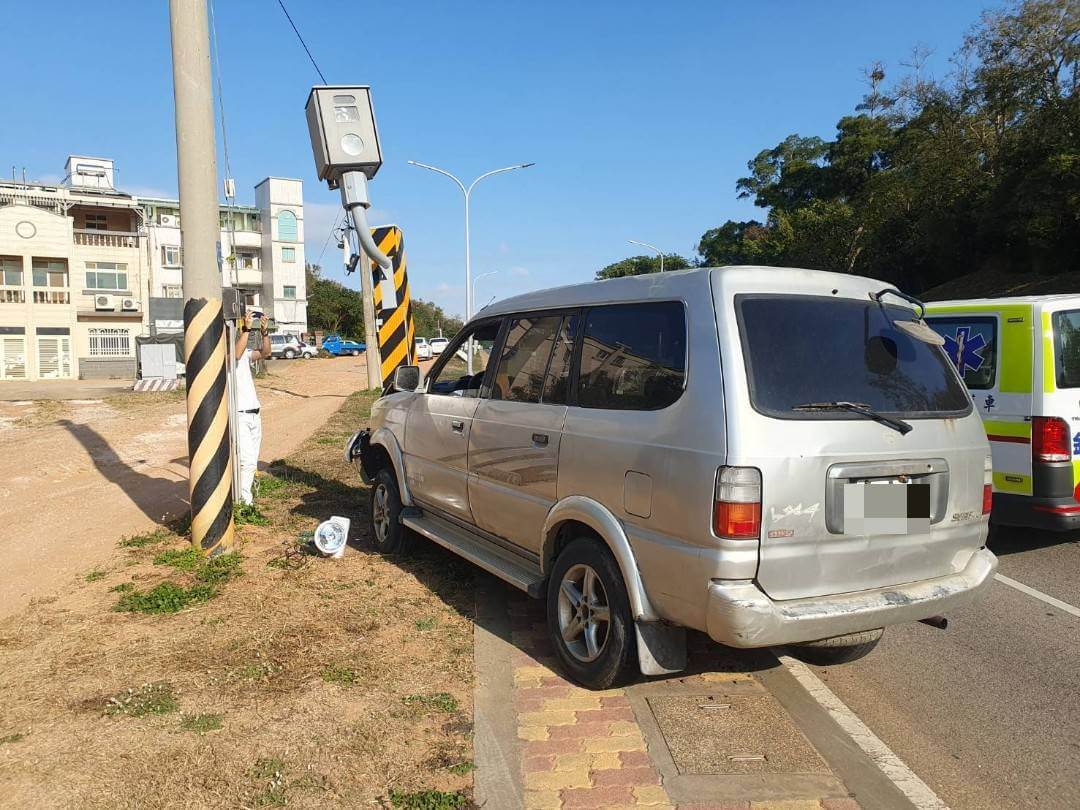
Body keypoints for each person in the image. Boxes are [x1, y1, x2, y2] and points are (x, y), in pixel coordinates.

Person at [234, 311, 271, 505]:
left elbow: (265, 353)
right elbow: (237, 352)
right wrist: (246, 329)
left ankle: (244, 496)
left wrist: (264, 333)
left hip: (254, 413)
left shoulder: (245, 356)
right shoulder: (228, 356)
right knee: (246, 461)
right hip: (239, 415)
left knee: (252, 460)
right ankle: (244, 503)